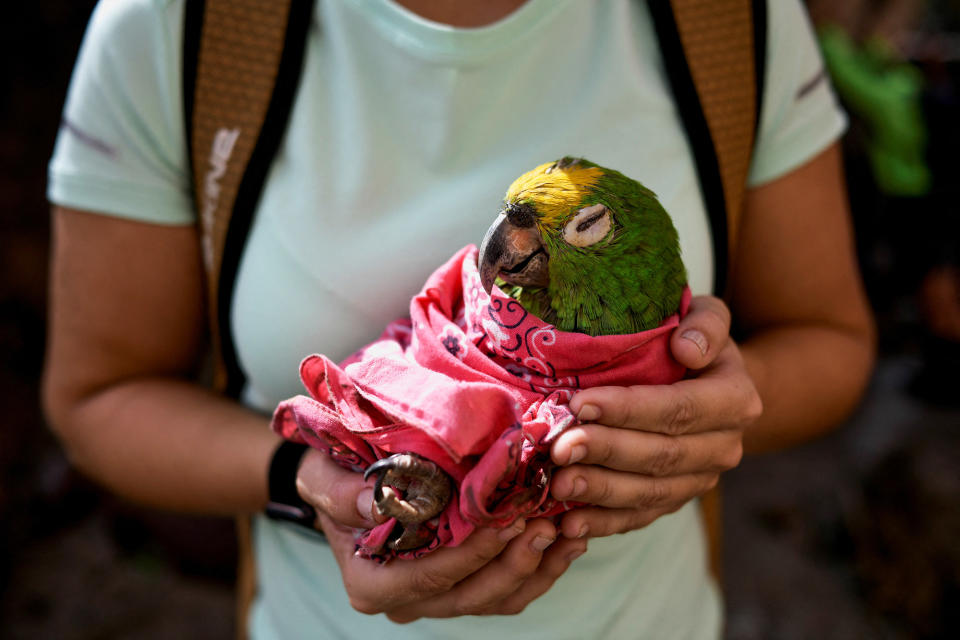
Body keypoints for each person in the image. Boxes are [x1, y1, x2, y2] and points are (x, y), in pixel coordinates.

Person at [43, 0, 875, 637]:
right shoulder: (176, 29)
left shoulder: (731, 21)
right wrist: (312, 484)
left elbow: (829, 339)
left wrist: (711, 410)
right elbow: (97, 398)